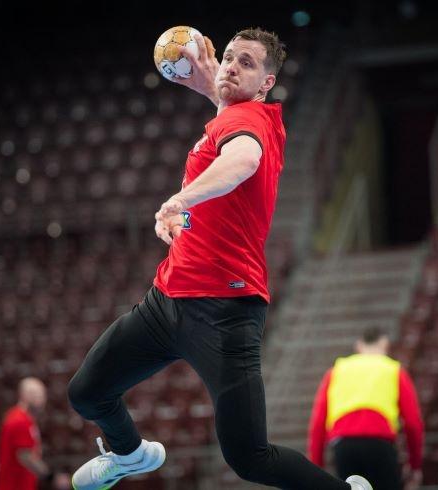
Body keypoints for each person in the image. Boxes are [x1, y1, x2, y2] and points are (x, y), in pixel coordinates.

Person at [67, 27, 372, 490]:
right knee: (88, 392)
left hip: (225, 315)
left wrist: (179, 201)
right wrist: (211, 84)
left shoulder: (246, 124)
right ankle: (129, 455)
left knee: (250, 458)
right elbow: (232, 118)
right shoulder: (241, 115)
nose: (230, 65)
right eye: (228, 56)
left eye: (246, 63)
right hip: (166, 302)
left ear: (267, 83)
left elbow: (242, 161)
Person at [307, 327, 424, 490]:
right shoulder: (393, 370)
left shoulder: (336, 371)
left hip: (344, 446)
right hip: (380, 445)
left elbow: (318, 423)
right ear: (385, 345)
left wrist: (316, 467)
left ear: (359, 346)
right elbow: (413, 423)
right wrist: (415, 465)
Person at [0, 377, 69, 490]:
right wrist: (52, 477)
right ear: (25, 395)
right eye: (38, 395)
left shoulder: (24, 418)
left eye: (43, 395)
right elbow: (25, 456)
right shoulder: (19, 420)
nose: (43, 399)